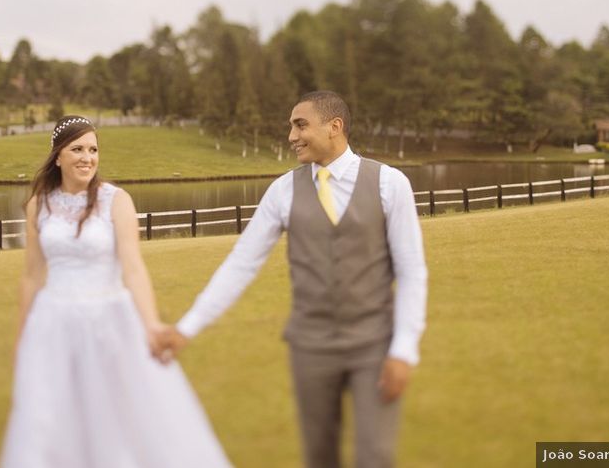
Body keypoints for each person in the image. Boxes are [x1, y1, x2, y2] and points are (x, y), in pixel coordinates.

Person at [159, 91, 428, 468]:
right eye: (291, 126)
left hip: (375, 344)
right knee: (319, 458)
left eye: (300, 124)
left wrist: (404, 349)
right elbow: (242, 264)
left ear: (334, 127)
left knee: (376, 456)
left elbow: (411, 269)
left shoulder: (390, 183)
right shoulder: (282, 190)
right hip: (310, 347)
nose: (291, 136)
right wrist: (187, 327)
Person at [0, 115, 230, 468]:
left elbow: (133, 267)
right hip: (53, 324)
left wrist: (151, 323)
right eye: (77, 149)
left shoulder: (116, 200)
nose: (87, 157)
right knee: (54, 418)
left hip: (109, 320)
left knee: (120, 417)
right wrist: (20, 338)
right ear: (57, 155)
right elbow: (31, 275)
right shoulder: (38, 205)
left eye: (93, 149)